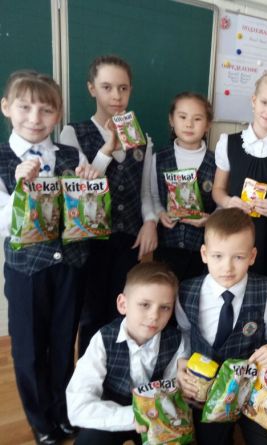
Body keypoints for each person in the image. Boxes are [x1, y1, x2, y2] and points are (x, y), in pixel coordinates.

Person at [0, 70, 97, 445]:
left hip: (71, 265)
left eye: (46, 110)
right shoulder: (3, 158)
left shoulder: (70, 154)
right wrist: (21, 187)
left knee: (62, 342)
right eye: (25, 107)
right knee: (28, 348)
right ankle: (41, 421)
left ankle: (63, 410)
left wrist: (87, 184)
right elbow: (3, 223)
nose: (35, 118)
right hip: (28, 270)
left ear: (58, 114)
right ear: (7, 107)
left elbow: (85, 212)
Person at [59, 54, 158, 355]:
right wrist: (106, 150)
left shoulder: (142, 139)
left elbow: (145, 192)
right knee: (90, 314)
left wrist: (150, 222)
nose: (116, 96)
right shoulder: (72, 133)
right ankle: (88, 376)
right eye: (107, 87)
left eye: (123, 88)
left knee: (122, 313)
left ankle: (116, 372)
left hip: (128, 239)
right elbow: (78, 193)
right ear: (92, 89)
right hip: (88, 242)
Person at [175, 208, 267, 445]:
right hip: (206, 391)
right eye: (218, 256)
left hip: (253, 390)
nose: (227, 267)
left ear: (252, 256)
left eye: (238, 257)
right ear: (204, 254)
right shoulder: (186, 291)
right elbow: (183, 333)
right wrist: (180, 362)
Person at [211, 72, 267, 311]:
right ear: (254, 101)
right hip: (233, 236)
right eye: (264, 102)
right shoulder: (228, 143)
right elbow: (217, 191)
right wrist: (228, 201)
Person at [66, 262, 186, 445]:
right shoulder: (103, 339)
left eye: (164, 307)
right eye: (145, 304)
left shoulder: (176, 341)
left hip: (156, 411)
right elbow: (78, 406)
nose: (154, 316)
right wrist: (133, 416)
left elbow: (174, 390)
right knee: (90, 441)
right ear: (123, 304)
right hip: (113, 410)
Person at [150, 92, 216, 281]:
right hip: (166, 244)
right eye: (182, 117)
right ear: (172, 120)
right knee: (166, 291)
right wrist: (160, 213)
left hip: (203, 249)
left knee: (195, 294)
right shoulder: (158, 158)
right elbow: (153, 195)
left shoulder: (217, 161)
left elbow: (222, 203)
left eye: (197, 119)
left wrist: (210, 219)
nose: (189, 124)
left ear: (208, 125)